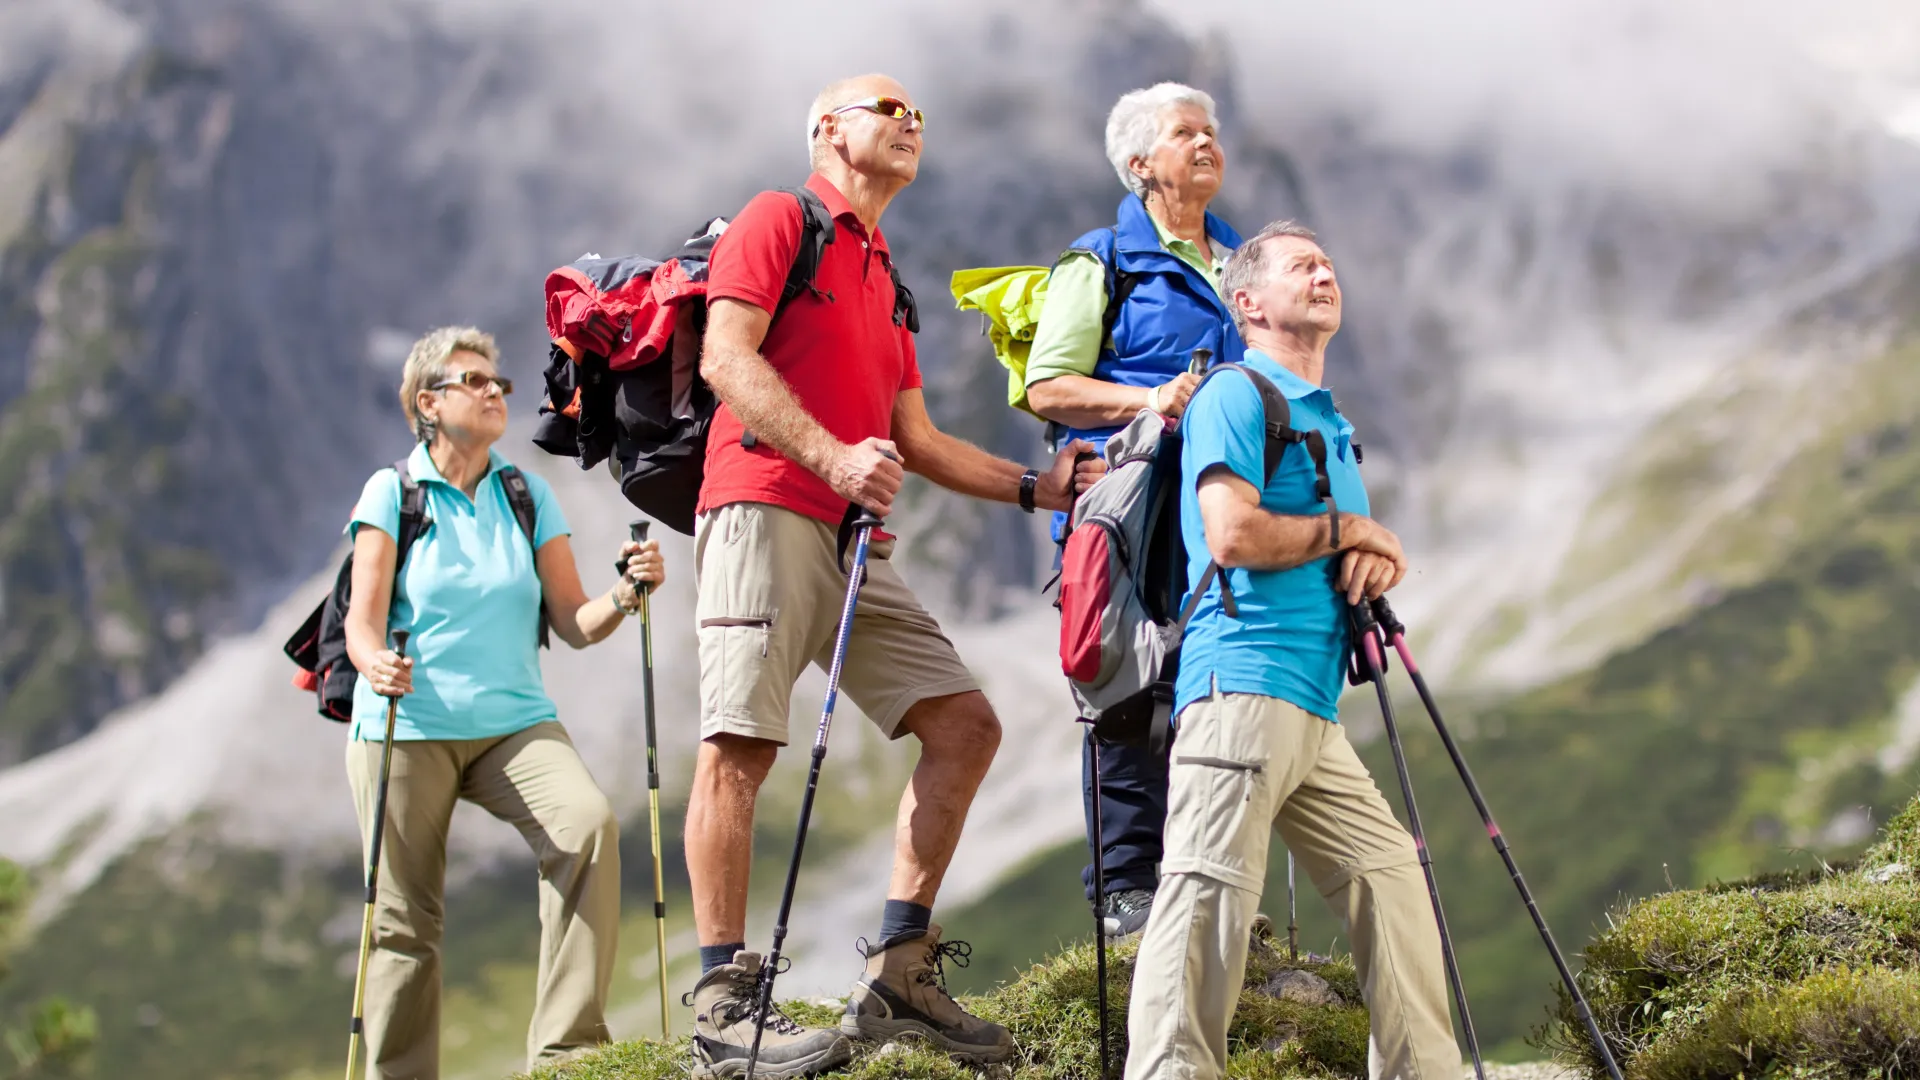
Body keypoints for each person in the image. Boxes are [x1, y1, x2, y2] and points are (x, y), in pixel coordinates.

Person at [684, 73, 1104, 1079]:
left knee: (965, 726)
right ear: (826, 128)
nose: (910, 123)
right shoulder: (781, 218)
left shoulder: (886, 273)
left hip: (846, 539)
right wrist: (831, 457)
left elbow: (913, 436)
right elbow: (724, 358)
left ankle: (898, 978)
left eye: (920, 114)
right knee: (740, 743)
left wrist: (1034, 491)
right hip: (763, 507)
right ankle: (721, 1010)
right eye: (887, 108)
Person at [1124, 223, 1462, 1080]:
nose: (1324, 272)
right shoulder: (1236, 394)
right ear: (1248, 302)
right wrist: (1350, 527)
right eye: (1301, 265)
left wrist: (1367, 553)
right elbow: (1231, 533)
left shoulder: (1329, 423)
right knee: (1206, 901)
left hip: (1311, 707)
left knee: (1390, 881)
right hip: (1238, 681)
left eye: (1329, 263)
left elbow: (1336, 547)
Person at [342, 326, 665, 1079]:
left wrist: (625, 593)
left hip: (513, 723)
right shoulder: (392, 493)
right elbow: (361, 621)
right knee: (403, 923)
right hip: (407, 722)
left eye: (499, 384)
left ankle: (566, 1054)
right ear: (428, 402)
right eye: (474, 381)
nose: (495, 393)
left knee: (586, 828)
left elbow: (575, 622)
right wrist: (375, 663)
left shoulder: (526, 494)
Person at [1024, 82, 1245, 938]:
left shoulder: (1241, 261)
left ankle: (1203, 884)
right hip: (1134, 505)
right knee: (1128, 685)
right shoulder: (1100, 258)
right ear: (1139, 164)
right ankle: (1124, 889)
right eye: (1186, 133)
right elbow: (1051, 387)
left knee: (1212, 685)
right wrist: (1153, 399)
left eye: (1212, 131)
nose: (1206, 143)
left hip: (1224, 505)